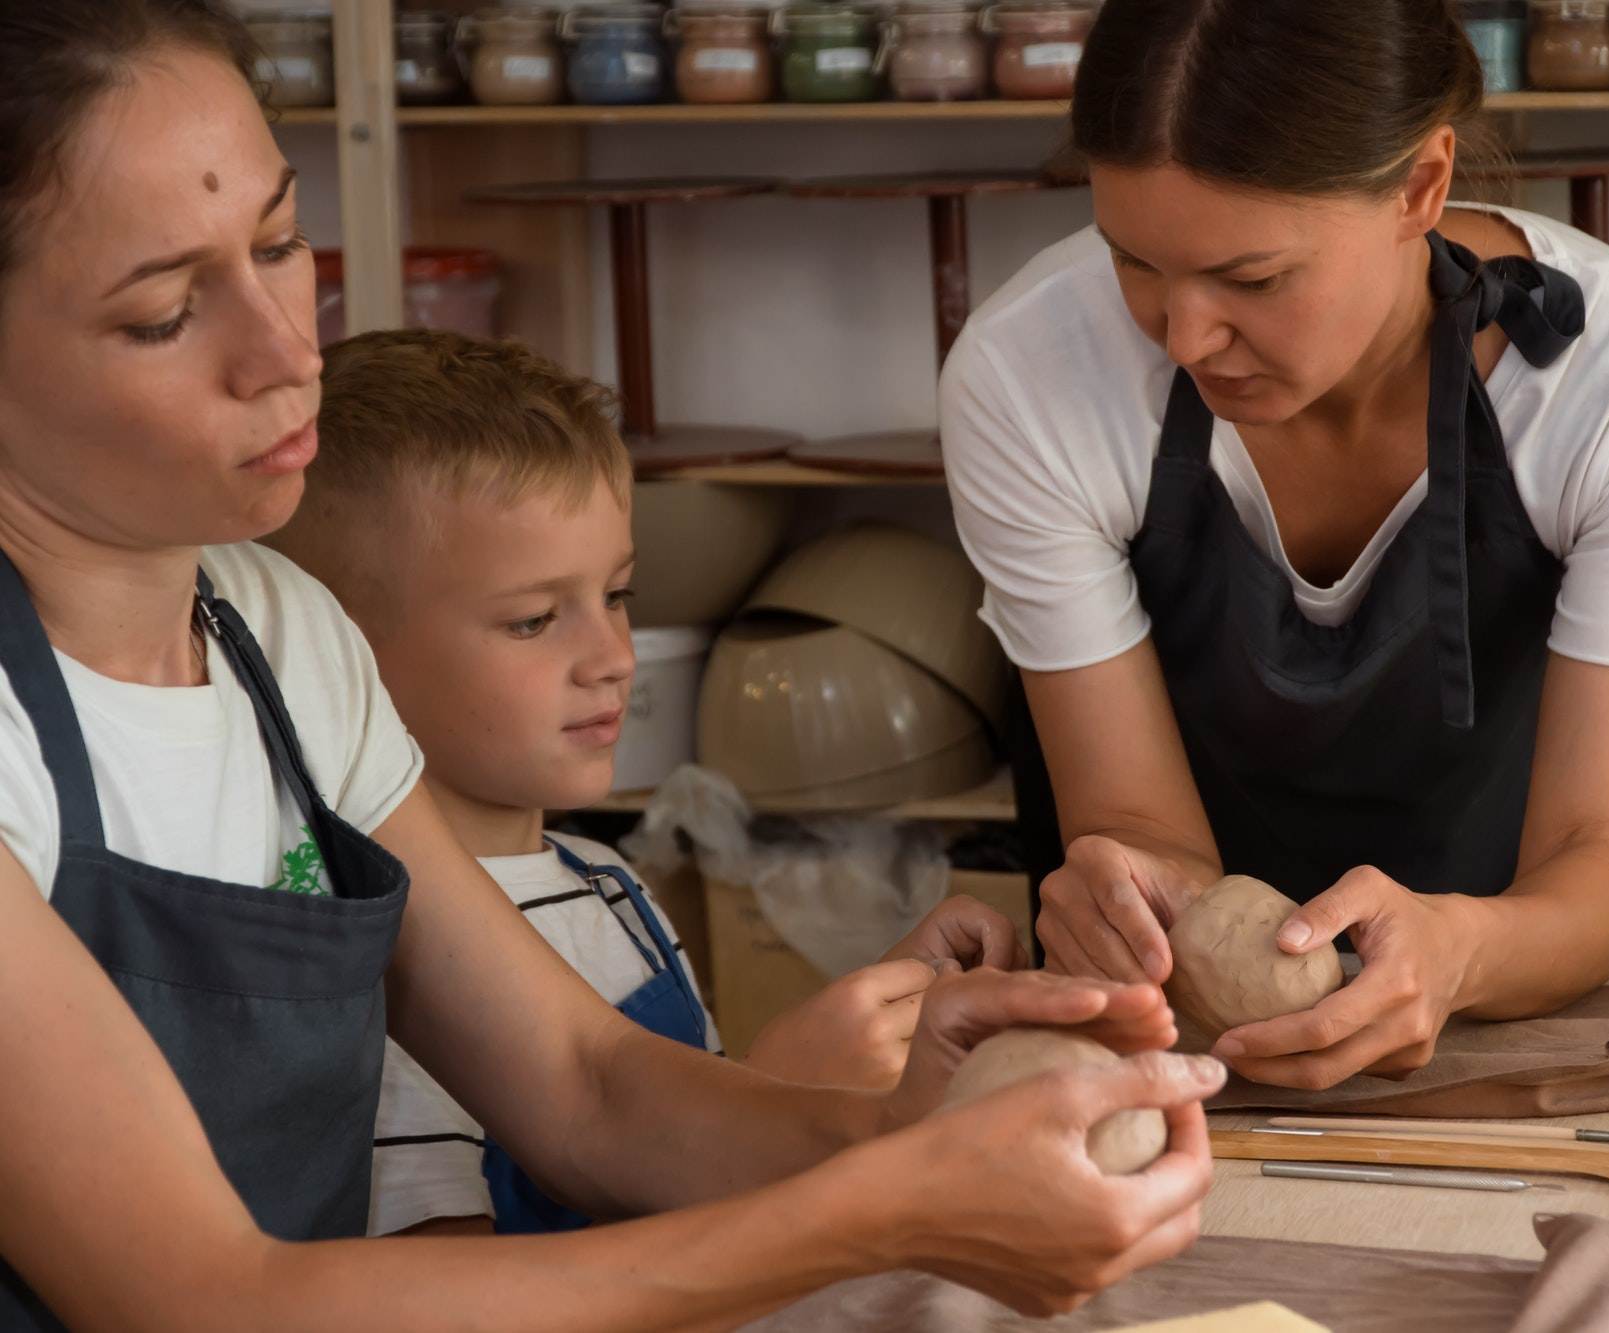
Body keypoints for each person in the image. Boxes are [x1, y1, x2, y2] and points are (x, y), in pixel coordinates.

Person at [0, 3, 1224, 1326]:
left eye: (284, 243)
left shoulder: (275, 631)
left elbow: (586, 1085)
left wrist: (899, 1120)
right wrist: (884, 1204)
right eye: (168, 314)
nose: (289, 350)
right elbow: (205, 1299)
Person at [940, 0, 1609, 1092]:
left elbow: (1590, 863)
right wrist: (1130, 899)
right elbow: (1130, 821)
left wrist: (1459, 956)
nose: (1182, 338)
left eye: (1252, 279)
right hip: (1195, 1044)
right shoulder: (1026, 371)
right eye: (1129, 260)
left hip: (1536, 1013)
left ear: (1420, 186)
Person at [268, 327, 1027, 1236]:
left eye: (618, 595)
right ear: (340, 659)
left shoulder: (606, 880)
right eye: (535, 619)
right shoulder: (381, 968)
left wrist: (861, 1034)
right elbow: (457, 1285)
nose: (614, 657)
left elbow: (669, 1158)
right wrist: (781, 1084)